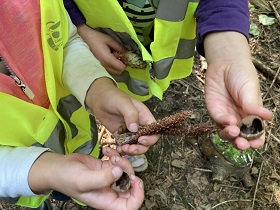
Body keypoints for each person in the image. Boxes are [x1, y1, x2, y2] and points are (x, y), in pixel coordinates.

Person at [0, 1, 159, 210]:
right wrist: (47, 172)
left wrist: (97, 88)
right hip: (19, 176)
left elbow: (62, 41)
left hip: (76, 132)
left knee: (75, 176)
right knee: (42, 197)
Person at [64, 0, 273, 156]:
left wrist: (229, 55)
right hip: (92, 46)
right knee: (107, 96)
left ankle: (129, 140)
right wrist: (79, 27)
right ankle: (127, 137)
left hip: (150, 52)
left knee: (133, 101)